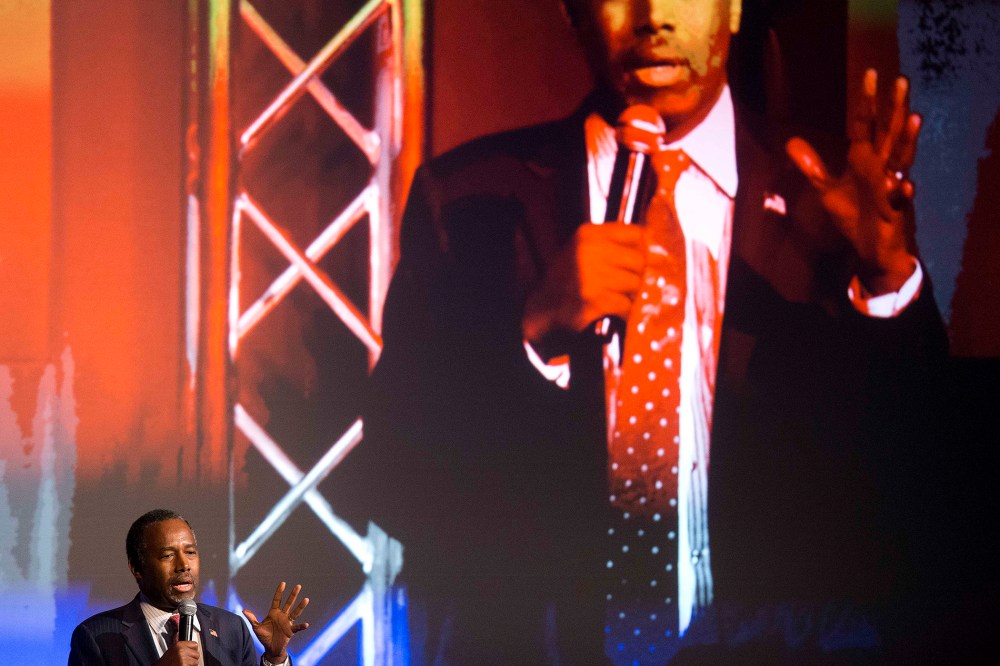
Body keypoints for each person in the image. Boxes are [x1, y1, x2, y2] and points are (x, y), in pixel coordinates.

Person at [361, 0, 947, 662]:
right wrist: (534, 338)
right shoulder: (468, 196)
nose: (653, 16)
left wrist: (887, 280)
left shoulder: (830, 194)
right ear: (573, 11)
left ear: (734, 8)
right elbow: (396, 482)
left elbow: (922, 493)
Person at [69, 509, 310, 666]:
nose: (184, 565)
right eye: (167, 555)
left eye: (191, 552)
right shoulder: (95, 636)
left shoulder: (232, 629)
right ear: (137, 568)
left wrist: (275, 658)